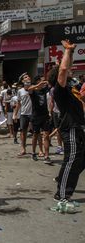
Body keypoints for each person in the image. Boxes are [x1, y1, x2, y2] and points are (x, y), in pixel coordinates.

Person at [48, 40, 85, 202]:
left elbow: (65, 67)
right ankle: (62, 194)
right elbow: (63, 69)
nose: (71, 71)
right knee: (72, 158)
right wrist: (68, 51)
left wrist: (69, 55)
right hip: (70, 128)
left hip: (79, 127)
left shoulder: (70, 88)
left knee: (79, 159)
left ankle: (63, 178)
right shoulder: (59, 90)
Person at [28, 76, 51, 164]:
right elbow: (29, 89)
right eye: (42, 80)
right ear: (38, 81)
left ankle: (46, 156)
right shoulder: (34, 91)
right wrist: (38, 85)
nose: (44, 82)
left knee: (46, 135)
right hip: (36, 116)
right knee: (35, 135)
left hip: (45, 115)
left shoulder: (44, 90)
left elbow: (51, 83)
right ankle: (33, 152)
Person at [14, 73, 33, 156]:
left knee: (36, 132)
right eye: (25, 77)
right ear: (22, 81)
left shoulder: (34, 88)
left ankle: (37, 150)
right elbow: (18, 103)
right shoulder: (20, 91)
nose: (27, 77)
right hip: (24, 114)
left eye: (28, 76)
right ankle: (23, 148)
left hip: (33, 113)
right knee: (23, 132)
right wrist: (15, 114)